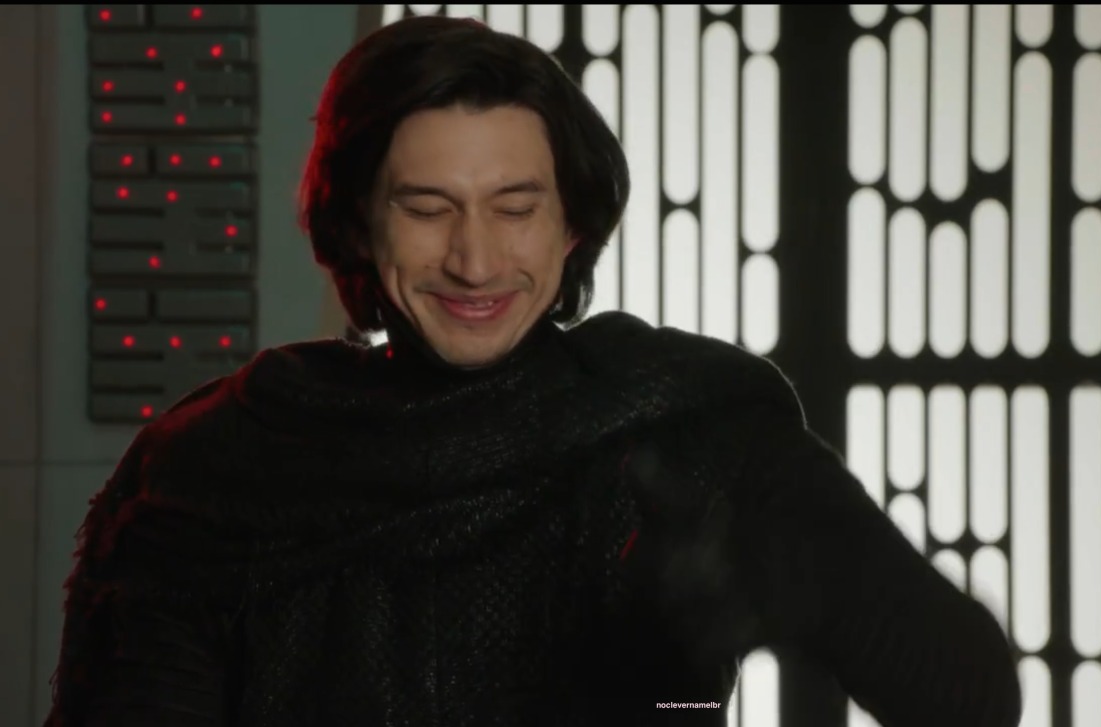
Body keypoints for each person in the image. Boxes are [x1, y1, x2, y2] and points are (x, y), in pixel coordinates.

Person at [45, 15, 1022, 727]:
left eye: (515, 208)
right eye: (427, 208)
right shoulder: (212, 471)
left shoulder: (687, 426)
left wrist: (792, 590)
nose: (475, 261)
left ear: (571, 225)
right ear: (355, 221)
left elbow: (970, 699)